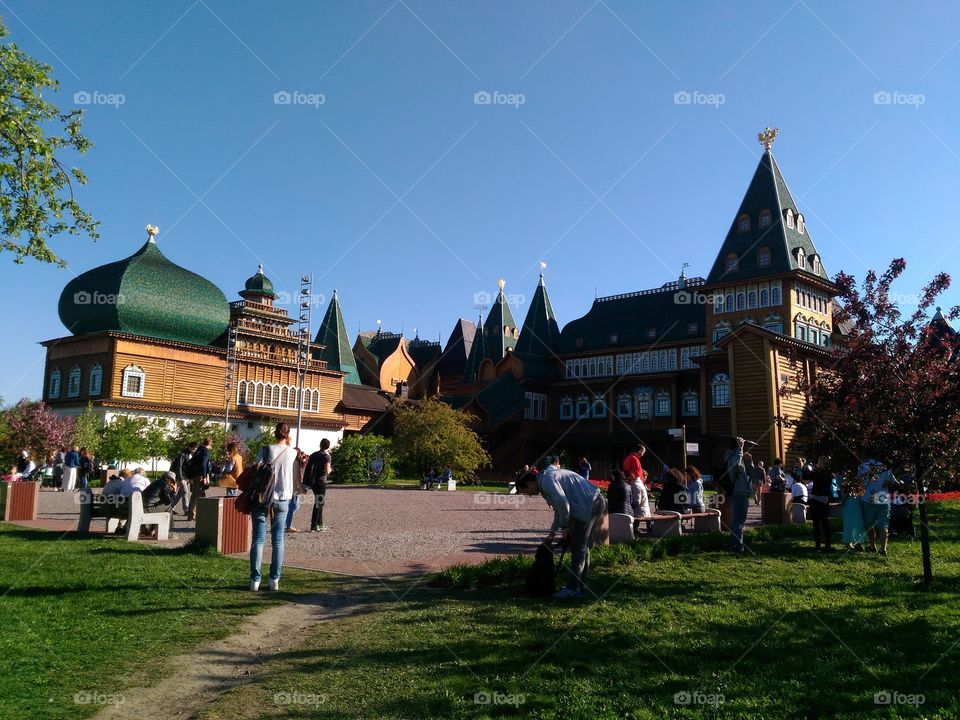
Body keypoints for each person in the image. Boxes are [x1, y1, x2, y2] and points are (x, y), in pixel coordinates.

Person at [515, 457, 606, 600]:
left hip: (589, 504)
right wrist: (553, 532)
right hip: (592, 501)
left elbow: (563, 504)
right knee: (582, 546)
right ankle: (580, 585)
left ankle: (574, 589)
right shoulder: (545, 478)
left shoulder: (546, 482)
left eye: (525, 491)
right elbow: (559, 509)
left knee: (578, 547)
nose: (528, 495)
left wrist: (564, 526)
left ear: (529, 483)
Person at [250, 422, 299, 592]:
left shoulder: (265, 450)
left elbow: (254, 468)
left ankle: (255, 581)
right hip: (283, 499)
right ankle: (274, 580)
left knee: (258, 539)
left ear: (275, 433)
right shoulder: (293, 453)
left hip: (262, 498)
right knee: (278, 540)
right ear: (287, 434)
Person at [862, 463, 900, 556]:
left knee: (870, 524)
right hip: (883, 498)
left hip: (869, 499)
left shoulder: (865, 466)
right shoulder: (886, 468)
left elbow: (860, 481)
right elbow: (895, 483)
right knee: (884, 525)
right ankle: (883, 549)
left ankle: (872, 546)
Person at [726, 437, 754, 554]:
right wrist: (740, 449)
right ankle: (737, 545)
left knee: (738, 520)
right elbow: (734, 465)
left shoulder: (739, 456)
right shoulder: (732, 456)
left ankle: (736, 544)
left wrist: (749, 461)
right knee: (739, 521)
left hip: (743, 492)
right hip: (739, 492)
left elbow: (750, 473)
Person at [304, 438, 333, 532]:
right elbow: (327, 471)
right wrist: (331, 469)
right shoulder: (327, 456)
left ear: (320, 445)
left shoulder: (314, 454)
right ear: (328, 446)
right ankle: (314, 525)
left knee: (320, 502)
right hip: (321, 482)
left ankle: (320, 524)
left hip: (312, 482)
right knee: (319, 503)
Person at [808, 456, 834, 552]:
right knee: (825, 523)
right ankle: (827, 545)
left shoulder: (817, 472)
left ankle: (818, 545)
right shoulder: (829, 473)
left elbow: (808, 476)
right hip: (823, 499)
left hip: (816, 498)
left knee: (817, 524)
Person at [186, 438, 212, 521]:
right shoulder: (205, 452)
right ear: (210, 444)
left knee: (198, 495)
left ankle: (196, 514)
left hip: (194, 475)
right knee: (196, 495)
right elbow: (204, 464)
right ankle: (192, 515)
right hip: (200, 476)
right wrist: (205, 477)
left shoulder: (198, 450)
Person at [285, 448, 309, 533]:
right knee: (294, 506)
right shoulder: (295, 463)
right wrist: (302, 489)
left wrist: (304, 462)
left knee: (294, 506)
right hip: (293, 488)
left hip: (290, 487)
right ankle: (288, 525)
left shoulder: (291, 462)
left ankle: (286, 523)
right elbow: (297, 478)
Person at [169, 442, 196, 517]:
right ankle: (186, 510)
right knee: (185, 492)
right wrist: (181, 478)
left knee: (180, 494)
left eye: (195, 449)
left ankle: (170, 507)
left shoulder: (189, 455)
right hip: (181, 477)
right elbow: (179, 467)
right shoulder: (183, 454)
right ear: (189, 447)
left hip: (185, 477)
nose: (194, 450)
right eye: (193, 449)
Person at [841, 472, 866, 550]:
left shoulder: (848, 481)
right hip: (855, 502)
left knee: (852, 522)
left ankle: (852, 542)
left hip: (852, 502)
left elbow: (844, 496)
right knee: (856, 522)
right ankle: (855, 542)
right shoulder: (859, 480)